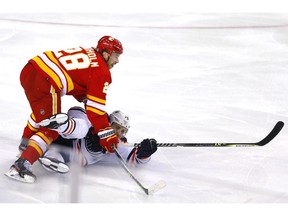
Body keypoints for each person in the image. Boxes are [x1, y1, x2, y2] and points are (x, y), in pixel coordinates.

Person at [5, 36, 124, 183]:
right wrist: (107, 135)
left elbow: (83, 89)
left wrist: (99, 122)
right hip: (46, 81)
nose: (117, 61)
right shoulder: (102, 72)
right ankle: (20, 166)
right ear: (106, 53)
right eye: (115, 56)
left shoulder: (89, 53)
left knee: (42, 115)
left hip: (31, 68)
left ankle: (26, 143)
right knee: (53, 127)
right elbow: (95, 110)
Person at [37, 106, 158, 174]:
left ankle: (49, 159)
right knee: (82, 128)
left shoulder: (118, 145)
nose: (119, 133)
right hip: (64, 139)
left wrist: (145, 153)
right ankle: (63, 125)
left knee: (54, 157)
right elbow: (75, 110)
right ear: (109, 123)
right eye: (117, 127)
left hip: (72, 157)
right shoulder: (95, 121)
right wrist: (91, 132)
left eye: (123, 131)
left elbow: (135, 159)